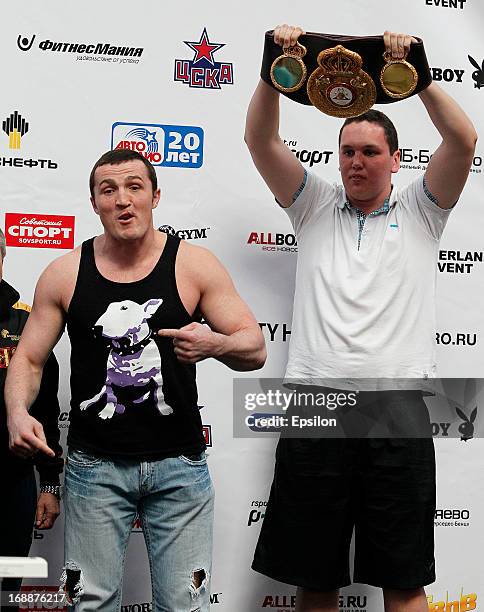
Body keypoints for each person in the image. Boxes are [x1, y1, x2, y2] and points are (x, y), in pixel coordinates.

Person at [245, 26, 477, 612]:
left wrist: (417, 74)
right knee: (315, 580)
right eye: (347, 151)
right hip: (317, 402)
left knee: (404, 582)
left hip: (395, 405)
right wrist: (277, 61)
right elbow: (259, 138)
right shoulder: (312, 204)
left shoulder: (423, 210)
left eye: (371, 152)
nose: (356, 162)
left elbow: (464, 138)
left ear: (397, 160)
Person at [6, 148, 266, 612]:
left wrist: (214, 345)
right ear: (94, 203)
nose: (122, 199)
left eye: (134, 187)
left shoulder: (193, 266)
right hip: (94, 469)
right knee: (89, 603)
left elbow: (254, 348)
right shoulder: (66, 273)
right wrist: (18, 413)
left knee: (184, 605)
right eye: (108, 190)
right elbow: (27, 359)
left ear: (155, 196)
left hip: (179, 468)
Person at [0, 228, 63, 612]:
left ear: (3, 257)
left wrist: (51, 485)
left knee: (6, 590)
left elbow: (46, 412)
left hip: (12, 483)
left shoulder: (25, 324)